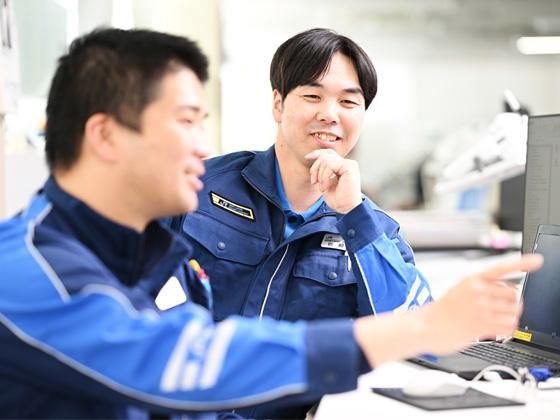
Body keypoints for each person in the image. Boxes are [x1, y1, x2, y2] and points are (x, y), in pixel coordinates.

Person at [0, 27, 542, 419]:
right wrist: (419, 329)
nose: (202, 148)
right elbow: (185, 360)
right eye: (186, 122)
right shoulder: (31, 271)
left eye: (348, 101)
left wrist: (360, 224)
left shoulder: (126, 245)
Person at [169, 27, 431, 417]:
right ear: (278, 104)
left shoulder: (373, 229)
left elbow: (414, 334)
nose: (330, 114)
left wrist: (353, 215)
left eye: (348, 101)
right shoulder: (198, 187)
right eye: (312, 96)